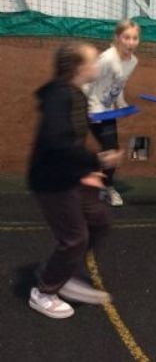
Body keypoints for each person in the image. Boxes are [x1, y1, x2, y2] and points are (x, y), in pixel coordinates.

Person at [28, 42, 123, 319]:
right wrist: (97, 161)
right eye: (93, 60)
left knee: (98, 221)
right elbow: (58, 143)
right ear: (79, 68)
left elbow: (72, 142)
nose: (97, 65)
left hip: (71, 174)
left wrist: (86, 172)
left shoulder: (76, 94)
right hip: (52, 180)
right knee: (75, 238)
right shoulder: (60, 97)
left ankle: (63, 272)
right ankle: (44, 292)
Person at [85, 19, 140, 206]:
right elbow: (88, 82)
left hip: (107, 111)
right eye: (126, 38)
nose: (131, 42)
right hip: (91, 109)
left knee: (111, 151)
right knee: (109, 151)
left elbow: (119, 84)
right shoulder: (107, 59)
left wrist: (121, 103)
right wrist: (83, 108)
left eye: (135, 38)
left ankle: (104, 186)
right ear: (118, 38)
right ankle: (95, 184)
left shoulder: (133, 61)